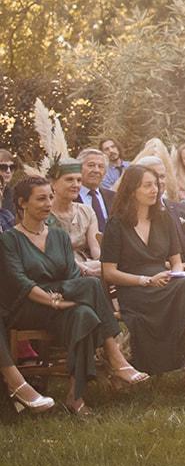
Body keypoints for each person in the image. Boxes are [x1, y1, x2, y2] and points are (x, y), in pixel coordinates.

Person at [0, 175, 146, 413]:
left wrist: (63, 301)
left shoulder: (58, 236)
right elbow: (21, 284)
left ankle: (74, 397)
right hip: (27, 306)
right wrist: (54, 301)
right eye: (40, 199)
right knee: (90, 286)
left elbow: (71, 275)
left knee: (85, 314)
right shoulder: (9, 239)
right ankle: (115, 356)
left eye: (50, 197)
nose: (48, 203)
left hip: (62, 301)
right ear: (22, 203)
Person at [100, 164, 185, 401]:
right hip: (134, 287)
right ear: (132, 190)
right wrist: (145, 281)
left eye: (156, 185)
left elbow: (175, 261)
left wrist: (174, 275)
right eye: (148, 185)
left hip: (165, 281)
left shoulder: (164, 219)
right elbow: (109, 272)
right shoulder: (116, 224)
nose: (155, 190)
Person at [48, 162, 101, 275]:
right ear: (53, 183)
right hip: (59, 269)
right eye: (69, 179)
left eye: (79, 180)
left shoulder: (86, 211)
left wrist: (102, 263)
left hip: (89, 264)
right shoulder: (44, 214)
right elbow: (54, 253)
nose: (76, 184)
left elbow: (95, 247)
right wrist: (86, 270)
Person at [77, 148, 113, 230]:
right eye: (91, 165)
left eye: (101, 166)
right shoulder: (70, 197)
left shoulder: (113, 197)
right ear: (79, 168)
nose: (96, 170)